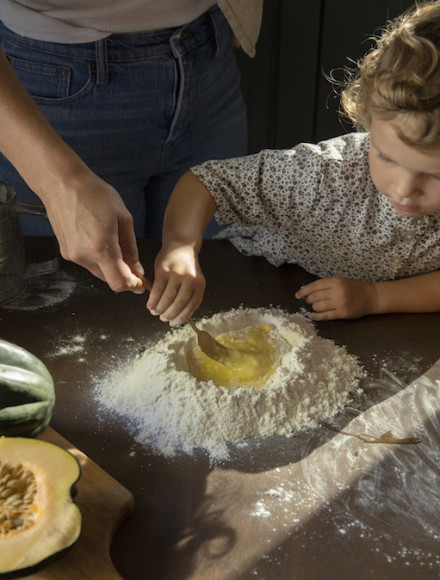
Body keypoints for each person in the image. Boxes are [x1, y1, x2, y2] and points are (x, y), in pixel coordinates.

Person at [147, 0, 440, 324]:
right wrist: (179, 246)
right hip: (258, 283)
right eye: (385, 157)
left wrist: (375, 297)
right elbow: (208, 183)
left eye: (436, 176)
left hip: (379, 323)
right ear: (369, 119)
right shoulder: (323, 176)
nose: (405, 189)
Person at [0, 1, 262, 294]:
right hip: (49, 77)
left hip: (209, 53)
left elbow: (212, 187)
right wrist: (58, 182)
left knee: (215, 289)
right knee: (88, 306)